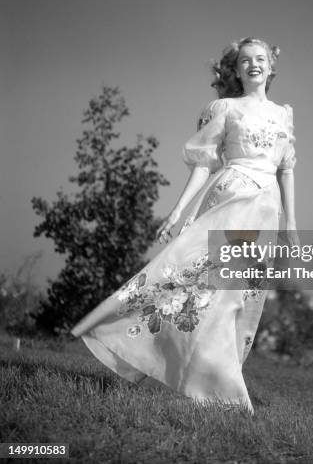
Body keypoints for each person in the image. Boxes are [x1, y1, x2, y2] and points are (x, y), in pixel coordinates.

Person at [70, 36, 298, 414]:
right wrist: (177, 212)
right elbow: (204, 164)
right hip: (232, 198)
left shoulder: (284, 114)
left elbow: (287, 167)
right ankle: (222, 392)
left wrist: (291, 221)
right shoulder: (223, 108)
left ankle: (209, 382)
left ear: (271, 67)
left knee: (239, 298)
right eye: (245, 61)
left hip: (266, 211)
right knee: (208, 289)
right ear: (236, 70)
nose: (254, 65)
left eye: (260, 59)